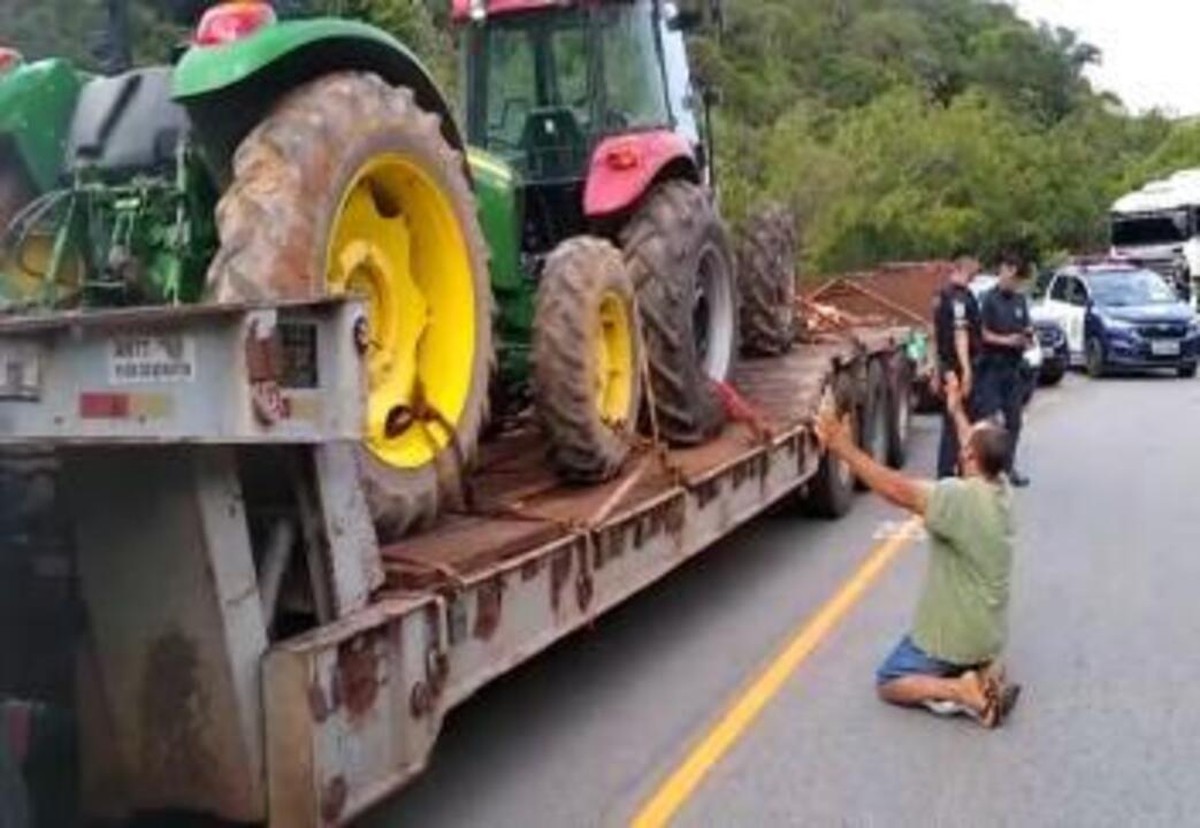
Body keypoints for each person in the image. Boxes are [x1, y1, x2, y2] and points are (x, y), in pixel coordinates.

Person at [814, 374, 1020, 729]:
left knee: (889, 681)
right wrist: (955, 409)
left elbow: (897, 489)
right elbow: (975, 443)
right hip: (990, 634)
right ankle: (986, 671)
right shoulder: (1001, 489)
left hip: (953, 638)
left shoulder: (960, 499)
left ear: (969, 455)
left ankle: (962, 690)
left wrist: (840, 445)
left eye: (968, 441)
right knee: (979, 651)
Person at [978, 252, 1033, 487]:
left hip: (1013, 368)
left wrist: (1027, 337)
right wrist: (1006, 340)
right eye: (1015, 278)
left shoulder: (1020, 300)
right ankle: (986, 471)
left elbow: (1027, 327)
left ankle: (1008, 468)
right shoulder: (988, 299)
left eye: (1019, 281)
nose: (1016, 284)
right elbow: (982, 333)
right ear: (1005, 270)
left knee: (1014, 422)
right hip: (992, 367)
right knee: (991, 423)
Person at [932, 251, 983, 478]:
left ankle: (948, 473)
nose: (979, 269)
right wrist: (967, 371)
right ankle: (951, 474)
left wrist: (935, 370)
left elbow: (935, 334)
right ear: (966, 265)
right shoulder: (959, 298)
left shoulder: (941, 295)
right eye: (976, 265)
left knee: (951, 421)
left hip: (946, 367)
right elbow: (960, 334)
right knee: (959, 423)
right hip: (958, 369)